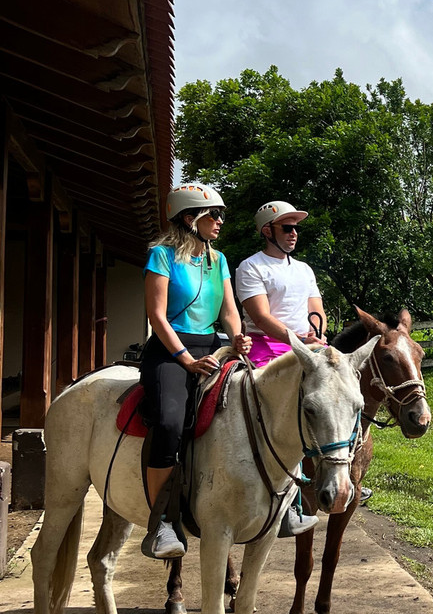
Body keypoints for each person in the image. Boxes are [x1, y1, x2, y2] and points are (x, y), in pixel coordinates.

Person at [234, 200, 371, 537]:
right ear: (268, 231)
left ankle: (349, 475)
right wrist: (297, 339)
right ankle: (290, 501)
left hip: (309, 346)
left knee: (345, 396)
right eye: (287, 228)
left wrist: (319, 334)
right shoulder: (251, 267)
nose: (294, 233)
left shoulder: (305, 269)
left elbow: (316, 309)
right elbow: (262, 317)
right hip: (269, 346)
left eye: (296, 228)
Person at [141, 184, 252, 559]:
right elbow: (156, 315)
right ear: (190, 218)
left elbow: (228, 309)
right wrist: (186, 359)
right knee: (171, 421)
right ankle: (162, 523)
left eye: (221, 214)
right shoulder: (161, 255)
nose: (220, 221)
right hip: (170, 352)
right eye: (213, 215)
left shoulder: (219, 260)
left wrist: (238, 336)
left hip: (212, 347)